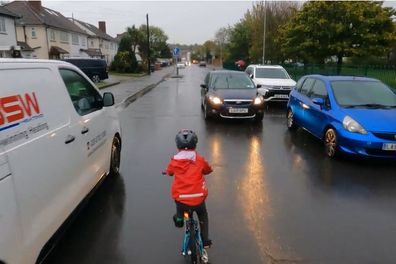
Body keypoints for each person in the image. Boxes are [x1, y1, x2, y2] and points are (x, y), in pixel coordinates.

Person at [164, 129, 213, 248]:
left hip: (182, 200)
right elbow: (208, 170)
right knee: (203, 215)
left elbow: (170, 172)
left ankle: (180, 219)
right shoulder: (199, 160)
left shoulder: (174, 161)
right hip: (198, 199)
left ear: (178, 145)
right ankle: (205, 241)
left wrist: (168, 172)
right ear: (195, 144)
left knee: (179, 211)